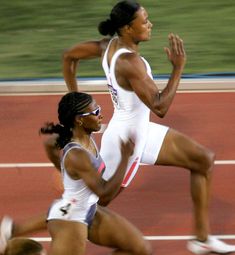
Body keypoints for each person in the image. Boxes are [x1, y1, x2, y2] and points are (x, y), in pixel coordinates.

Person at [0, 1, 234, 254]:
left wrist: (74, 97)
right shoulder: (130, 62)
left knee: (203, 160)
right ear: (127, 28)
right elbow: (160, 107)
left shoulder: (107, 46)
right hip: (128, 140)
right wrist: (178, 69)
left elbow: (69, 55)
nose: (150, 24)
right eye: (144, 21)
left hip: (139, 128)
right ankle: (15, 230)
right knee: (91, 201)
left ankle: (201, 239)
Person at [1, 91, 152, 255]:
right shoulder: (77, 155)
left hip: (88, 209)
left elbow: (49, 144)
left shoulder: (80, 135)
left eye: (99, 109)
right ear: (79, 120)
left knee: (140, 249)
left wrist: (64, 172)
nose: (100, 116)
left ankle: (13, 230)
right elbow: (105, 195)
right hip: (72, 220)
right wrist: (124, 158)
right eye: (95, 113)